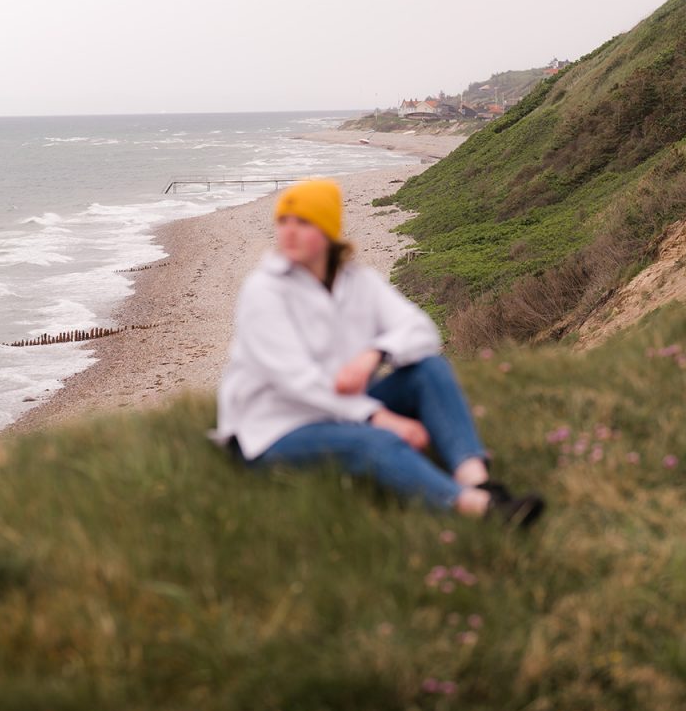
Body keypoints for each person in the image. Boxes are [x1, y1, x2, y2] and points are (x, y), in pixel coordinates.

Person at [216, 178, 543, 525]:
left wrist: (374, 353)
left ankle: (480, 481)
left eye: (303, 223)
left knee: (430, 369)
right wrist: (378, 417)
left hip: (337, 410)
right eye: (284, 222)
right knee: (375, 441)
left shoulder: (358, 282)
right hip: (270, 430)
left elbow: (421, 331)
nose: (289, 233)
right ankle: (480, 511)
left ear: (327, 230)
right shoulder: (264, 290)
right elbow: (296, 381)